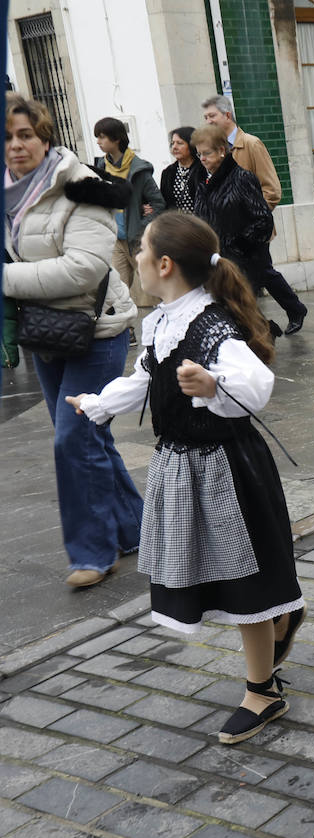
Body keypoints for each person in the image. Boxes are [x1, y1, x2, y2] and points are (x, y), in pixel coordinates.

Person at [67, 211, 306, 743]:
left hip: (226, 469)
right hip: (183, 466)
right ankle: (281, 617)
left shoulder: (213, 324)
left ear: (165, 265)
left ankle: (262, 689)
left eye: (142, 252)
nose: (137, 261)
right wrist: (98, 403)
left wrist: (212, 381)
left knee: (244, 583)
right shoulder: (161, 321)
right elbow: (145, 380)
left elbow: (256, 384)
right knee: (220, 575)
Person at [4, 92, 143, 589]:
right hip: (46, 333)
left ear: (45, 138)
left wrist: (6, 279)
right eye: (7, 137)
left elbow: (85, 269)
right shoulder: (7, 195)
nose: (16, 146)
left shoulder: (84, 188)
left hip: (97, 330)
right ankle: (137, 530)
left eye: (25, 135)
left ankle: (92, 553)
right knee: (91, 438)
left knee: (73, 439)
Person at [191, 125, 309, 336]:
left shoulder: (242, 178)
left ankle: (268, 332)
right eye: (199, 154)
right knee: (234, 313)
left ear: (221, 150)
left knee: (241, 312)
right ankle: (266, 330)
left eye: (206, 153)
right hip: (216, 261)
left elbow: (262, 220)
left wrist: (239, 246)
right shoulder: (202, 181)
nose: (202, 158)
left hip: (244, 260)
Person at [92, 116, 165, 309]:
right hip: (114, 239)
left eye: (102, 137)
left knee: (154, 291)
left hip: (137, 240)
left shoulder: (139, 169)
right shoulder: (100, 168)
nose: (98, 142)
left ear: (116, 139)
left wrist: (142, 225)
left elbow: (157, 203)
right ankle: (128, 332)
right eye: (97, 137)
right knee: (117, 292)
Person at [201, 94, 281, 209]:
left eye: (212, 116)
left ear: (228, 115)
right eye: (206, 118)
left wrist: (252, 219)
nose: (208, 121)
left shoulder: (251, 144)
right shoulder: (210, 150)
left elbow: (272, 191)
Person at [159, 126, 206, 215]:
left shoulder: (203, 168)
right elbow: (164, 202)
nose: (175, 147)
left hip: (200, 223)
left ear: (191, 145)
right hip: (178, 224)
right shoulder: (168, 173)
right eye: (172, 143)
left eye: (180, 143)